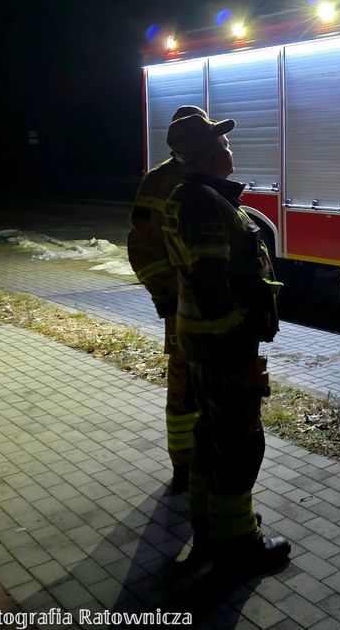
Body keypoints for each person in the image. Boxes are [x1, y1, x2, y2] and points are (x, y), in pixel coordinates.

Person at [162, 112, 290, 572]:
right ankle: (238, 545)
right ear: (210, 152)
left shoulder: (195, 196)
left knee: (209, 442)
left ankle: (211, 530)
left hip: (204, 343)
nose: (229, 148)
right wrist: (238, 333)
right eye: (222, 142)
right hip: (223, 347)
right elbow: (210, 281)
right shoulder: (204, 204)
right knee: (240, 444)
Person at [126, 104, 206, 494]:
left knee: (208, 385)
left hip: (212, 311)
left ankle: (204, 460)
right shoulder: (159, 183)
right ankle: (184, 466)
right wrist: (168, 299)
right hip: (181, 307)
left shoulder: (204, 176)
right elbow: (142, 248)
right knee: (184, 384)